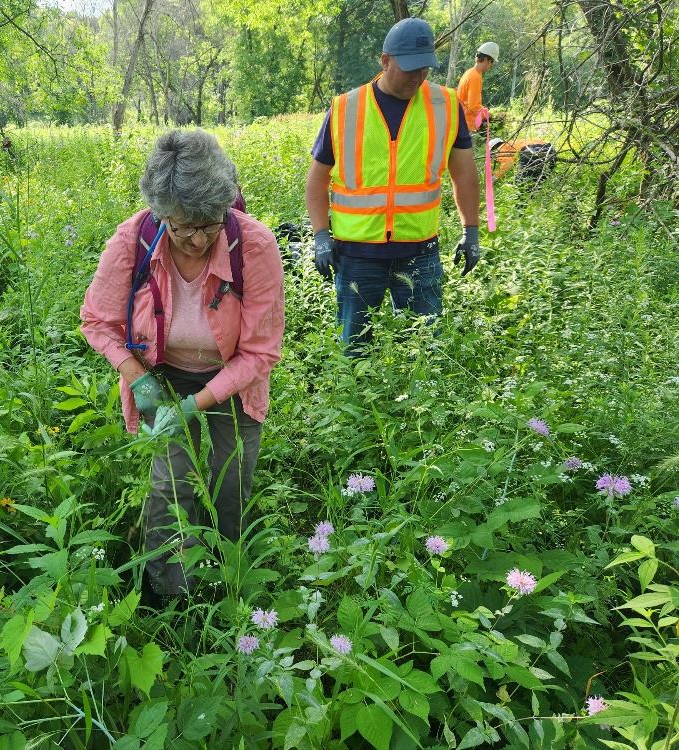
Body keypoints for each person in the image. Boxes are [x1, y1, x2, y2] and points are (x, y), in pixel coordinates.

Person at [80, 129, 285, 604]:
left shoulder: (253, 246)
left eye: (208, 224)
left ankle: (228, 585)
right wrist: (141, 382)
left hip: (233, 377)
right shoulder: (134, 239)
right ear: (160, 214)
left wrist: (198, 404)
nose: (196, 239)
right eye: (182, 226)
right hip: (162, 374)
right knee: (170, 488)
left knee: (231, 480)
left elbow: (261, 351)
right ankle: (174, 601)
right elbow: (96, 320)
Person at [305, 17, 481, 354]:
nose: (417, 77)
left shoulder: (446, 105)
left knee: (427, 349)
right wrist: (320, 236)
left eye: (425, 68)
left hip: (419, 251)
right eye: (409, 68)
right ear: (385, 61)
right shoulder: (346, 108)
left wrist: (470, 231)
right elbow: (317, 178)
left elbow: (465, 175)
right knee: (354, 349)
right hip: (357, 253)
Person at [457, 42, 500, 133]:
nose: (491, 65)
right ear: (485, 59)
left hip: (461, 122)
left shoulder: (469, 72)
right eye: (491, 61)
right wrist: (488, 115)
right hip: (467, 125)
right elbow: (474, 106)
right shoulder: (475, 77)